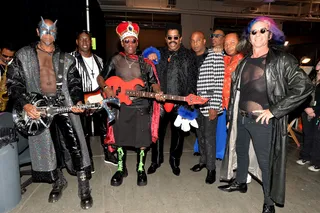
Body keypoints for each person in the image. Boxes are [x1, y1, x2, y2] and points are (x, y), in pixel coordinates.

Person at [218, 16, 313, 213]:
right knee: (241, 152)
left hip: (262, 120)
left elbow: (304, 86)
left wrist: (274, 111)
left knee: (265, 162)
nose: (258, 35)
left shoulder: (280, 60)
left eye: (263, 31)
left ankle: (269, 202)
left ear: (270, 35)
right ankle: (240, 182)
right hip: (241, 117)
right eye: (254, 32)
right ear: (249, 37)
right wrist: (231, 119)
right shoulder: (243, 62)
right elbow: (236, 93)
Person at [7, 17, 93, 209]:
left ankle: (83, 184)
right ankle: (58, 180)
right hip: (38, 107)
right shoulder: (24, 55)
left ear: (56, 33)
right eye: (44, 30)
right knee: (49, 147)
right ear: (37, 32)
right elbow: (14, 83)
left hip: (64, 105)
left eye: (52, 30)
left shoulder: (67, 58)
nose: (48, 34)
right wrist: (26, 104)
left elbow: (74, 83)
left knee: (75, 144)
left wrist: (78, 100)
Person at [97, 21, 163, 187]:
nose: (130, 44)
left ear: (137, 42)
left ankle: (140, 169)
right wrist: (106, 88)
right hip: (121, 106)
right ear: (122, 42)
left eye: (133, 40)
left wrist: (158, 91)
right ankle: (120, 168)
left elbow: (154, 82)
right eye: (127, 41)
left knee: (142, 141)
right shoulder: (115, 59)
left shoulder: (146, 63)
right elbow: (100, 77)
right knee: (120, 139)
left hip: (141, 106)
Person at [146, 23, 198, 176]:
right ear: (165, 39)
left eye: (176, 37)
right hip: (160, 103)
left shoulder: (189, 56)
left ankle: (175, 161)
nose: (173, 40)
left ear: (181, 39)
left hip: (179, 103)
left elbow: (192, 80)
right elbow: (144, 61)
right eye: (170, 37)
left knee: (178, 135)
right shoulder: (159, 53)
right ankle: (155, 161)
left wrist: (190, 100)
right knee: (156, 133)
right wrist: (149, 55)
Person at [70, 30, 117, 172]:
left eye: (88, 40)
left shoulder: (100, 60)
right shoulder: (70, 59)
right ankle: (87, 159)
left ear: (91, 42)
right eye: (82, 39)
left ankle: (108, 153)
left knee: (105, 128)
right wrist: (77, 99)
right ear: (77, 42)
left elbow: (104, 79)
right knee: (83, 132)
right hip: (81, 99)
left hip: (99, 98)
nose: (85, 42)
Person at [219, 33, 259, 184]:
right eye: (226, 43)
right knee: (234, 141)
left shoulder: (244, 60)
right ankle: (238, 172)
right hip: (229, 106)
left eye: (232, 42)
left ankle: (244, 173)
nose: (229, 46)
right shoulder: (227, 59)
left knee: (241, 142)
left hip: (240, 106)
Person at [189, 31, 224, 184]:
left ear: (204, 41)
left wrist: (214, 106)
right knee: (200, 135)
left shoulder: (215, 55)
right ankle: (203, 161)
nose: (195, 43)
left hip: (210, 104)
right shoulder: (191, 58)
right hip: (195, 105)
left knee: (209, 137)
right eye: (192, 41)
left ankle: (211, 169)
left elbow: (219, 82)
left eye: (198, 40)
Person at [296, 61, 320, 172]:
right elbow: (302, 93)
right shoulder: (311, 77)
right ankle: (305, 157)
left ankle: (316, 162)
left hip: (317, 113)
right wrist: (306, 107)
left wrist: (314, 110)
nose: (319, 64)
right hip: (306, 110)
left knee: (317, 137)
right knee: (307, 135)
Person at [0, 40, 17, 112]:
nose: (7, 59)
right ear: (0, 51)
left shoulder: (14, 66)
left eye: (10, 57)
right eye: (5, 56)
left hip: (8, 105)